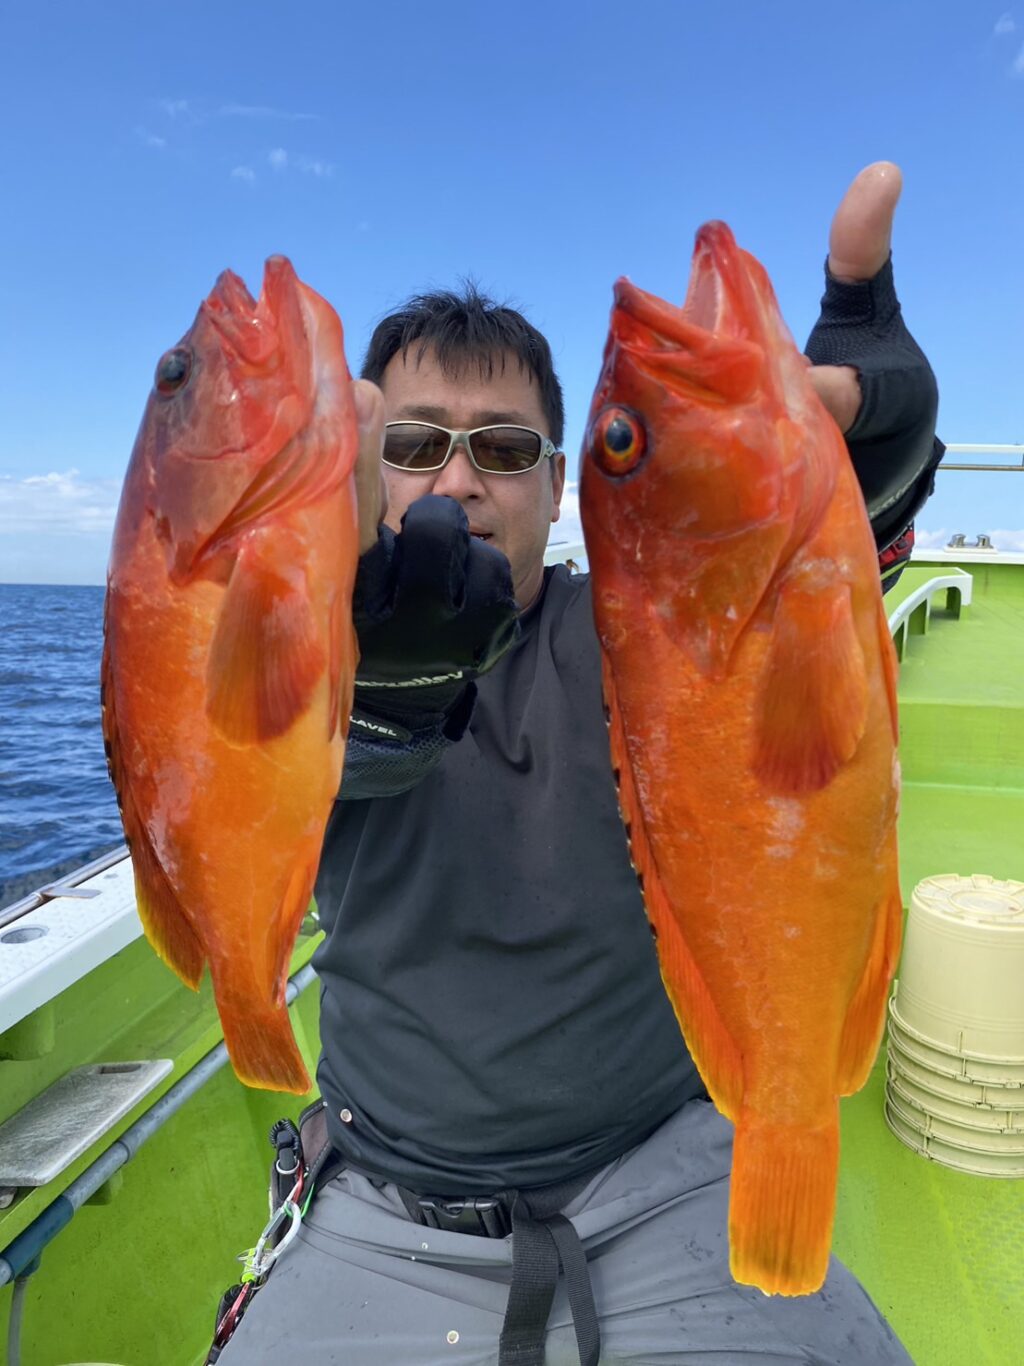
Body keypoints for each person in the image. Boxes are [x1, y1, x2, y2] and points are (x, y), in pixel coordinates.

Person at [217, 163, 942, 1365]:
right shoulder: (298, 652)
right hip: (380, 1200)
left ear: (555, 486)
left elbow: (773, 612)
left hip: (662, 1167)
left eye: (503, 448)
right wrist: (383, 692)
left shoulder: (642, 625)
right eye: (417, 444)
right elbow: (258, 786)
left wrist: (872, 468)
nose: (459, 479)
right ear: (359, 463)